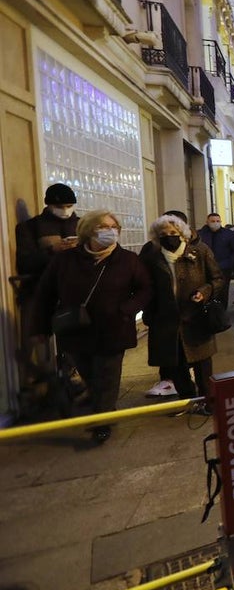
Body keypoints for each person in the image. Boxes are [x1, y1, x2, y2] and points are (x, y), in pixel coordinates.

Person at [28, 210, 152, 443]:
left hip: (113, 329)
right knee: (90, 375)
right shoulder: (65, 260)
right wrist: (39, 329)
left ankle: (101, 423)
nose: (110, 231)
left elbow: (145, 289)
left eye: (114, 227)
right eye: (103, 227)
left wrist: (126, 309)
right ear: (88, 231)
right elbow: (45, 294)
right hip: (76, 330)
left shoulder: (127, 260)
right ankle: (104, 409)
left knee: (107, 377)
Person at [139, 214, 224, 411]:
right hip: (166, 319)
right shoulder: (153, 256)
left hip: (196, 317)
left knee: (203, 364)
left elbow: (218, 279)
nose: (169, 237)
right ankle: (188, 398)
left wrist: (204, 292)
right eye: (164, 234)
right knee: (175, 363)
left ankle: (208, 401)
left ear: (182, 234)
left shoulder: (199, 252)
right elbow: (144, 285)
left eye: (173, 233)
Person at [14, 183, 80, 385]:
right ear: (49, 205)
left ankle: (71, 378)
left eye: (70, 205)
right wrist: (54, 250)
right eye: (62, 206)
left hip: (73, 291)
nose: (66, 210)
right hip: (40, 291)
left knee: (74, 340)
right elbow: (25, 262)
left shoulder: (82, 224)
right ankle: (42, 385)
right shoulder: (31, 227)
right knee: (37, 341)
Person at [198, 212, 234, 308]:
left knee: (223, 292)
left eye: (217, 221)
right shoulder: (200, 234)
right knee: (206, 291)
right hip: (205, 269)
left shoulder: (228, 234)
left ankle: (222, 314)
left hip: (223, 269)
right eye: (212, 221)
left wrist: (228, 263)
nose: (215, 223)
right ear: (207, 222)